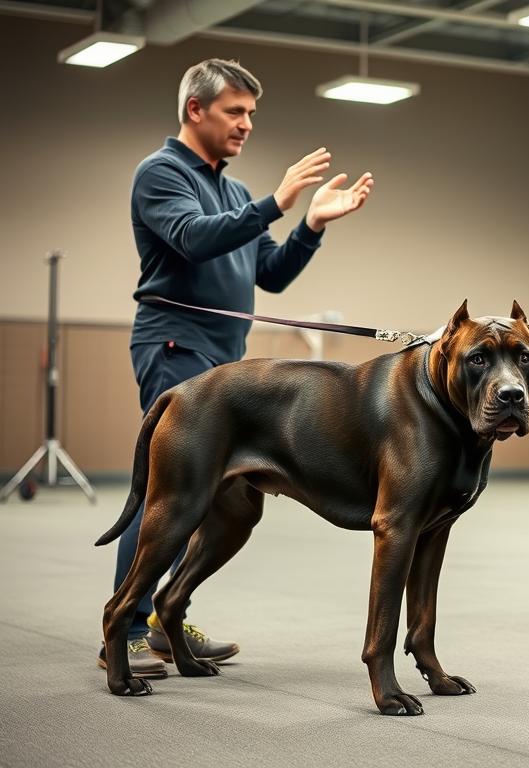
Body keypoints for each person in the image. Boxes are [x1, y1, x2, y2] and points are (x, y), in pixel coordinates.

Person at [98, 58, 374, 676]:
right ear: (194, 110)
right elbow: (194, 238)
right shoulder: (160, 173)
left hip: (225, 362)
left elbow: (268, 274)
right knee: (172, 491)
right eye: (234, 111)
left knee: (221, 501)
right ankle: (127, 629)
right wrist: (276, 201)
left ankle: (169, 616)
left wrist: (310, 225)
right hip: (174, 346)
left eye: (251, 112)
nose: (246, 123)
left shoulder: (233, 191)